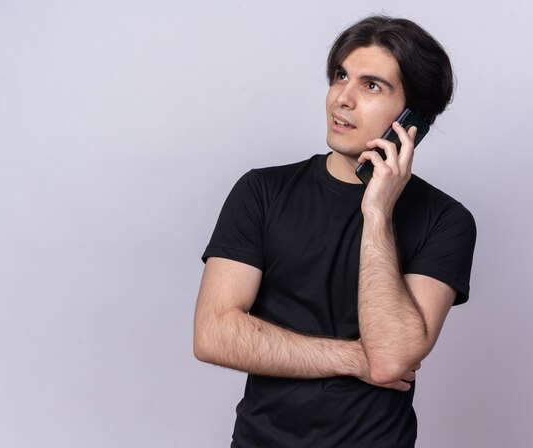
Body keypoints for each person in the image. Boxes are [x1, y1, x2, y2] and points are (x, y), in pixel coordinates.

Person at [194, 15, 477, 448]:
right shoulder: (262, 191)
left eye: (371, 86)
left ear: (412, 116)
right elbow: (213, 334)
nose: (342, 99)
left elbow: (390, 361)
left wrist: (378, 213)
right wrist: (351, 357)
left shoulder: (447, 220)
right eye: (340, 76)